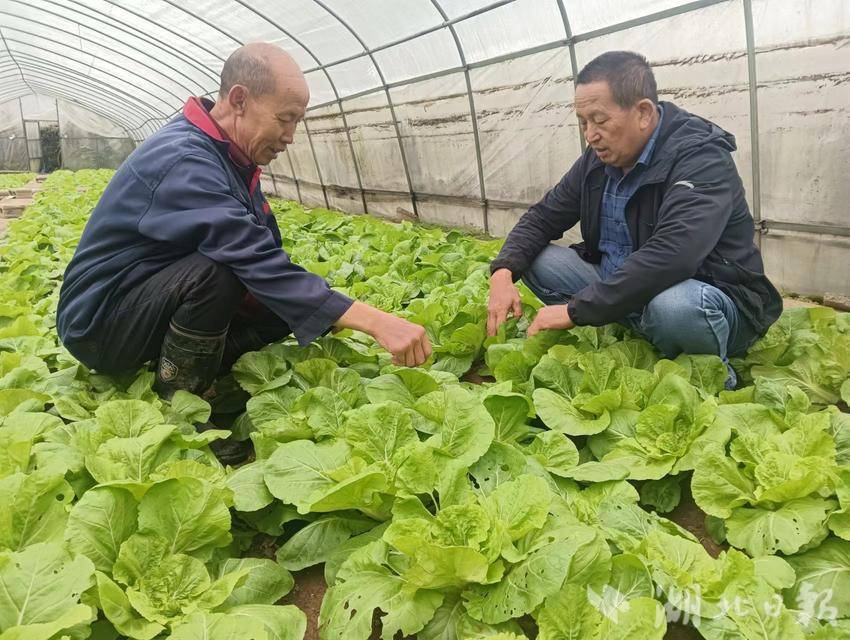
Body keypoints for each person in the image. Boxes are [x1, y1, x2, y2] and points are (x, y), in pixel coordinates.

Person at [57, 43, 431, 459]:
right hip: (100, 323)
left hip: (145, 303)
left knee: (290, 304)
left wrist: (329, 312)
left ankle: (201, 370)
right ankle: (182, 407)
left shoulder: (227, 155)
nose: (290, 136)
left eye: (297, 122)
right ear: (239, 100)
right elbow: (250, 256)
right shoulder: (183, 157)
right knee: (221, 273)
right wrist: (376, 322)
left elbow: (268, 252)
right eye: (284, 119)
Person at [487, 51, 781, 386]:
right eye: (583, 122)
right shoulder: (597, 159)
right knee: (536, 259)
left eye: (599, 120)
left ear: (643, 113)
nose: (590, 135)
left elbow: (674, 254)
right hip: (631, 290)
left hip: (711, 296)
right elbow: (544, 216)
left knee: (676, 306)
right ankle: (640, 326)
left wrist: (574, 311)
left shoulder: (700, 157)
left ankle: (712, 377)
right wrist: (503, 272)